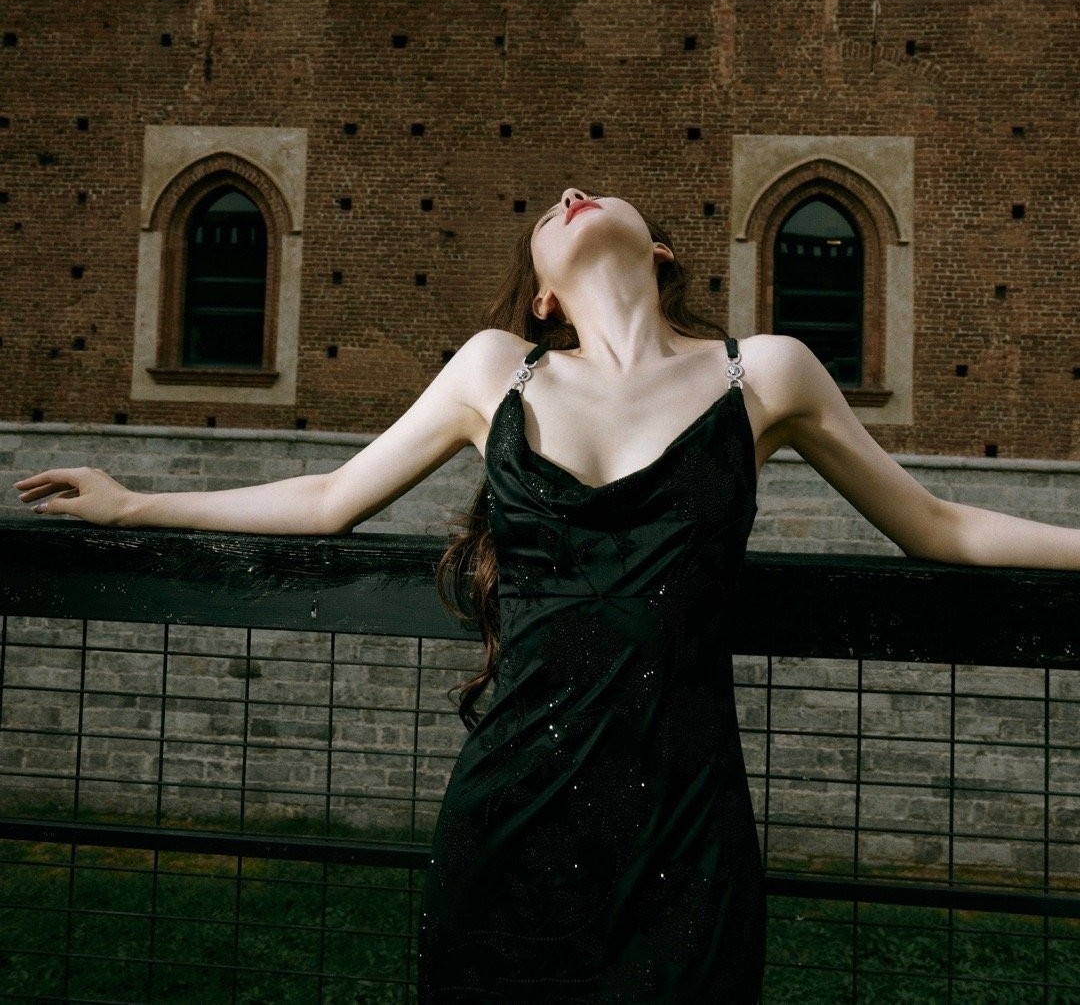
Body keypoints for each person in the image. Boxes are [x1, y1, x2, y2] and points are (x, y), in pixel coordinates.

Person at [15, 188, 1080, 1003]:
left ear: (659, 252)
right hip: (512, 813)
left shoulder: (767, 372)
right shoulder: (496, 370)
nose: (572, 193)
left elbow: (935, 524)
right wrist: (136, 502)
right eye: (548, 209)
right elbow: (333, 497)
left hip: (685, 828)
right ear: (540, 297)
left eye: (596, 193)